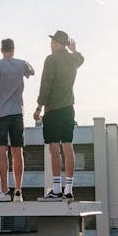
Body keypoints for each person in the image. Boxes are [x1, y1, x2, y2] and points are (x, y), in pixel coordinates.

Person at [33, 30, 84, 201]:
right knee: (68, 147)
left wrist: (39, 107)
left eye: (53, 41)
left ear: (57, 43)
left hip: (53, 109)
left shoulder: (51, 59)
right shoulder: (72, 59)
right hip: (69, 109)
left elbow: (46, 84)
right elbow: (81, 58)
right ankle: (68, 188)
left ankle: (56, 188)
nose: (50, 44)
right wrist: (73, 49)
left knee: (54, 149)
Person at [0, 38, 34, 202]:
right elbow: (32, 72)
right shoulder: (21, 64)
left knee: (1, 152)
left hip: (1, 114)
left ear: (1, 49)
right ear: (13, 48)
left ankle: (5, 191)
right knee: (17, 151)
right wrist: (25, 63)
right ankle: (18, 191)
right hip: (17, 113)